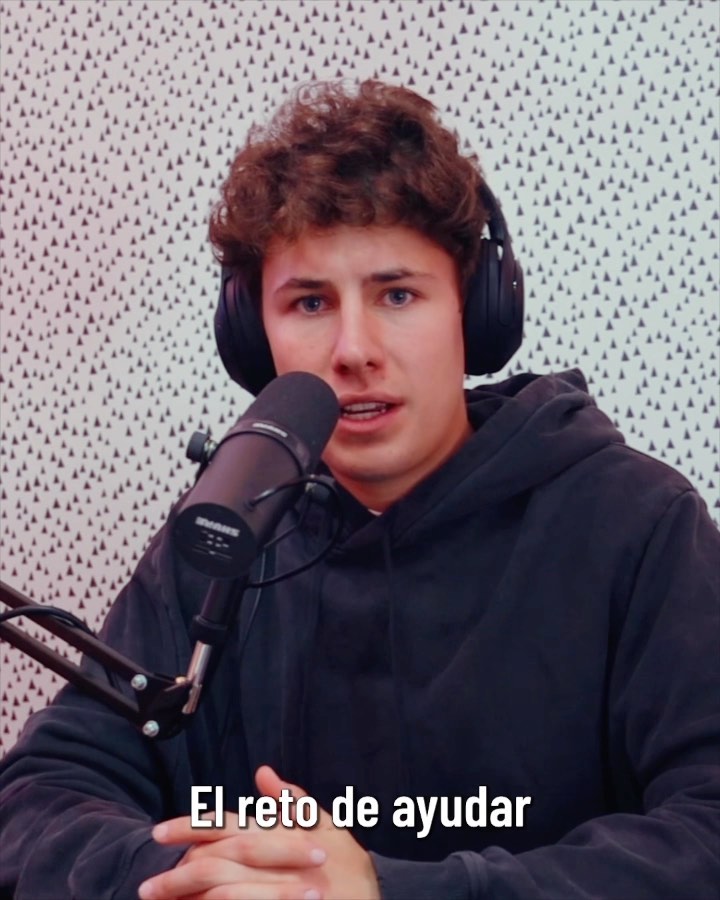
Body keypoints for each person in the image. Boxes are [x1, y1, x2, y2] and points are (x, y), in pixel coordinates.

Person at [1, 80, 718, 900]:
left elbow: (707, 831)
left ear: (474, 313)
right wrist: (204, 881)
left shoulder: (637, 524)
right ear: (254, 337)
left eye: (397, 294)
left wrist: (384, 890)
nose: (353, 349)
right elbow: (40, 798)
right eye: (310, 302)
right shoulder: (225, 538)